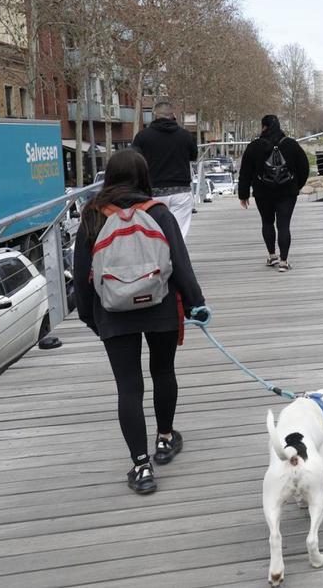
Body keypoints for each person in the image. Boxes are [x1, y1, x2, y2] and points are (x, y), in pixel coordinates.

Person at [74, 149, 206, 495]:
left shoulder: (91, 215)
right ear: (144, 176)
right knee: (163, 372)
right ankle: (165, 439)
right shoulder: (159, 213)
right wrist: (196, 304)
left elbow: (80, 273)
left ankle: (140, 465)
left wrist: (91, 317)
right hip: (159, 305)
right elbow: (180, 263)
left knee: (128, 387)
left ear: (108, 176)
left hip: (112, 309)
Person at [238, 115, 309, 272]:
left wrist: (243, 194)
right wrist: (296, 186)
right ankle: (284, 261)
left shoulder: (254, 146)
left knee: (267, 222)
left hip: (263, 193)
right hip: (287, 193)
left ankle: (272, 255)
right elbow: (304, 167)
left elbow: (245, 172)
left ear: (264, 127)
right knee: (284, 225)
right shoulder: (291, 144)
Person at [133, 101, 198, 237]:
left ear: (154, 116)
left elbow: (135, 162)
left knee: (156, 233)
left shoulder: (142, 137)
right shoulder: (186, 136)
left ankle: (159, 257)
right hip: (180, 191)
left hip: (153, 192)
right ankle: (176, 256)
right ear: (173, 115)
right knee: (179, 233)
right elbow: (193, 156)